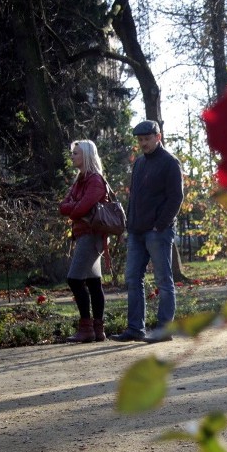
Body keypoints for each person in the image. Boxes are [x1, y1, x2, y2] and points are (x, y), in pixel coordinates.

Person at [111, 120, 184, 343]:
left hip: (157, 232)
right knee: (132, 278)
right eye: (140, 140)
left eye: (147, 139)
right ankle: (135, 328)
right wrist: (128, 226)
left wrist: (159, 224)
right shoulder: (139, 163)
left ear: (158, 137)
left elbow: (176, 197)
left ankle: (164, 330)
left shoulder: (170, 163)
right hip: (136, 231)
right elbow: (134, 197)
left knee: (163, 279)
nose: (143, 143)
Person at [59, 140, 108, 343]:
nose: (72, 157)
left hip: (91, 235)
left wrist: (74, 206)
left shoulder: (95, 180)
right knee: (93, 282)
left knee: (74, 279)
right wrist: (74, 206)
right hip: (84, 234)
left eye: (76, 153)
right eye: (73, 153)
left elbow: (79, 209)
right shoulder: (80, 180)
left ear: (86, 155)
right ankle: (97, 330)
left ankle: (87, 327)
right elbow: (63, 206)